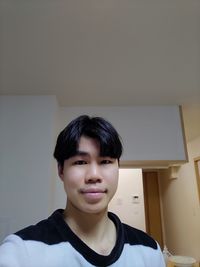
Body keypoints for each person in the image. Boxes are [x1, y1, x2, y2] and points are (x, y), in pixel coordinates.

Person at [0, 115, 165, 267]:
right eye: (80, 162)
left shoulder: (149, 251)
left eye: (105, 161)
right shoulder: (22, 252)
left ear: (118, 168)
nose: (94, 175)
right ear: (61, 170)